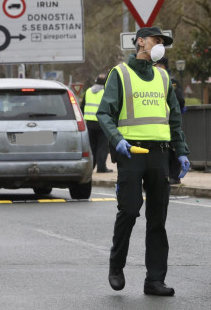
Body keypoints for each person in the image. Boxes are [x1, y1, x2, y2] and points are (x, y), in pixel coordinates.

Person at [97, 26, 191, 297]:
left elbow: (174, 117)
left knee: (157, 219)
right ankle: (116, 265)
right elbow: (104, 113)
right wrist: (117, 140)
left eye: (163, 42)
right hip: (131, 153)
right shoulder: (120, 74)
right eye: (156, 40)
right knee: (129, 210)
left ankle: (155, 280)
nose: (160, 45)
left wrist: (181, 150)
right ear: (140, 41)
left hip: (160, 154)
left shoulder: (163, 77)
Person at [153, 57, 185, 184]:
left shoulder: (171, 81)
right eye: (155, 65)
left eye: (160, 66)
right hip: (157, 121)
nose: (158, 68)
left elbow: (179, 100)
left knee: (173, 148)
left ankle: (174, 176)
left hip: (169, 120)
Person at [81, 73, 112, 173]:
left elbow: (82, 106)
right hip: (102, 123)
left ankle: (91, 167)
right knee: (102, 146)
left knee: (92, 146)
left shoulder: (88, 91)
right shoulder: (106, 92)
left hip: (89, 123)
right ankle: (101, 168)